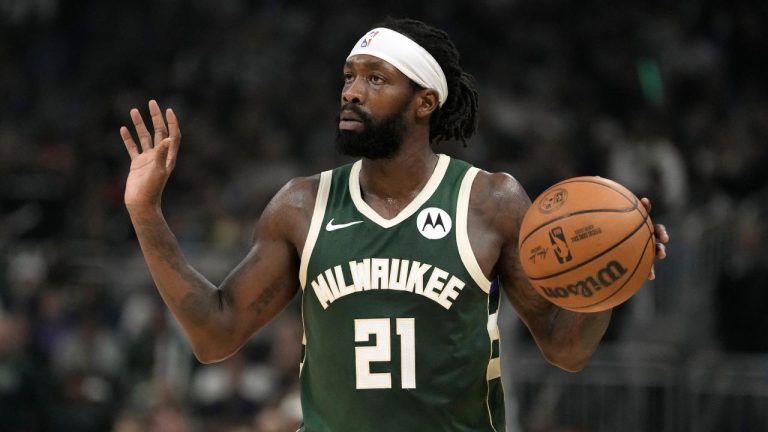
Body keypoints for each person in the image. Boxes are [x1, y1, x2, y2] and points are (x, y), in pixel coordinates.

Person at [119, 17, 669, 432]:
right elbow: (215, 335)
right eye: (349, 76)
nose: (351, 91)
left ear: (425, 100)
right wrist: (146, 214)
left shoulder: (490, 202)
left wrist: (614, 272)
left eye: (376, 79)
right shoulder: (301, 205)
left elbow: (564, 348)